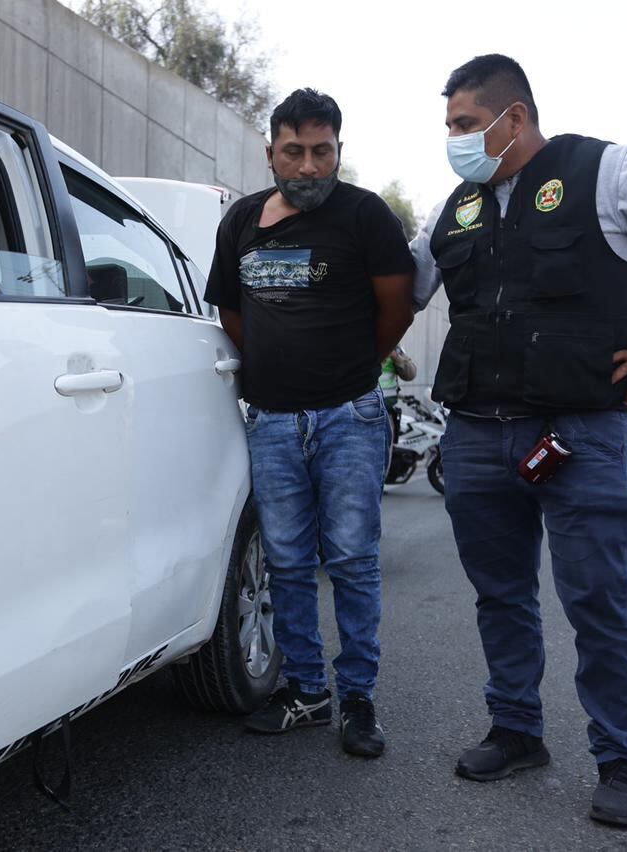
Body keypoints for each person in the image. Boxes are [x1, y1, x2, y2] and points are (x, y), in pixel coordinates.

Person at [411, 55, 627, 826]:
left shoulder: (609, 171)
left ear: (514, 118)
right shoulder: (454, 206)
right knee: (500, 597)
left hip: (579, 431)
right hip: (475, 432)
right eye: (451, 127)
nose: (456, 141)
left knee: (599, 601)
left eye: (466, 125)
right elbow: (404, 282)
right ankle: (516, 729)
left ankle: (624, 757)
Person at [204, 88, 415, 757]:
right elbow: (232, 315)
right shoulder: (239, 222)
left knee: (351, 562)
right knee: (289, 563)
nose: (308, 166)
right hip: (270, 422)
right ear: (270, 154)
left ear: (338, 152)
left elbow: (396, 310)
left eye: (321, 152)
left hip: (349, 417)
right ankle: (305, 691)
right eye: (293, 152)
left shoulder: (365, 216)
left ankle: (357, 699)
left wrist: (350, 368)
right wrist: (276, 369)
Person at [380, 345, 418, 437]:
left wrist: (395, 356)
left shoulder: (393, 344)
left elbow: (410, 374)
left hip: (386, 413)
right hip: (359, 412)